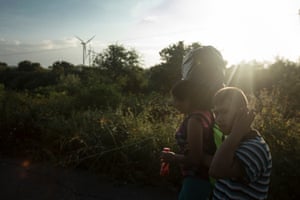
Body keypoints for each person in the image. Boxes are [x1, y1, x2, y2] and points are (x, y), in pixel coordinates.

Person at [160, 45, 226, 200]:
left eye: (177, 99)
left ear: (189, 100)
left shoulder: (195, 121)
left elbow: (195, 159)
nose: (173, 103)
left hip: (197, 181)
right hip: (206, 181)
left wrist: (172, 158)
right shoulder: (208, 112)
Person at [209, 87, 272, 200]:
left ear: (242, 112)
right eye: (216, 113)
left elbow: (216, 171)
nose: (218, 119)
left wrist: (236, 132)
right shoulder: (233, 141)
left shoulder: (255, 147)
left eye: (224, 112)